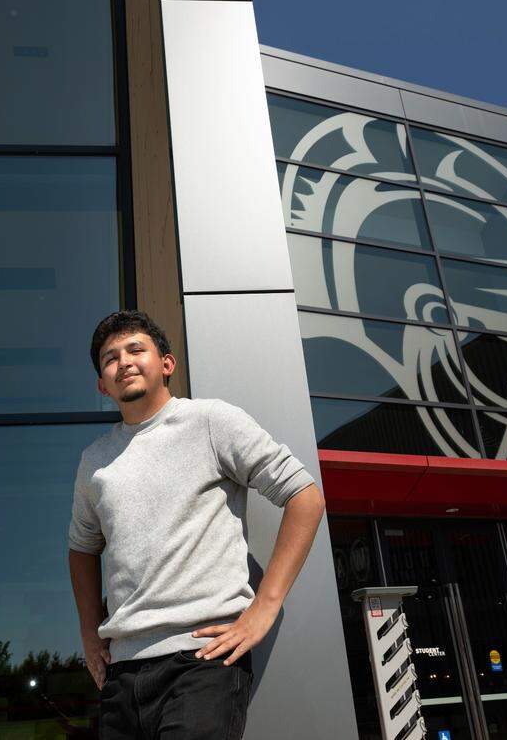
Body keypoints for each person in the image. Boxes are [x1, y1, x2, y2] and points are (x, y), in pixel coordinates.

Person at [67, 309, 327, 739]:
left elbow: (305, 496)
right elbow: (81, 547)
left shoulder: (211, 421)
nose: (124, 362)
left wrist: (265, 606)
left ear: (167, 364)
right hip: (122, 672)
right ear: (102, 384)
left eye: (136, 349)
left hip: (202, 659)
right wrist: (89, 632)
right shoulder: (95, 460)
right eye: (110, 359)